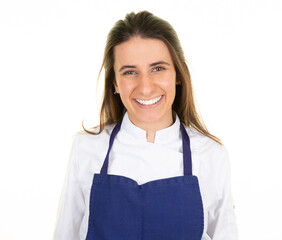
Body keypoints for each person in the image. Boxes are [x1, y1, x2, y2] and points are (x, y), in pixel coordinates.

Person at [53, 10, 239, 240]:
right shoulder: (86, 148)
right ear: (116, 84)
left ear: (177, 75)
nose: (146, 88)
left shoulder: (211, 155)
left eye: (157, 68)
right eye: (130, 72)